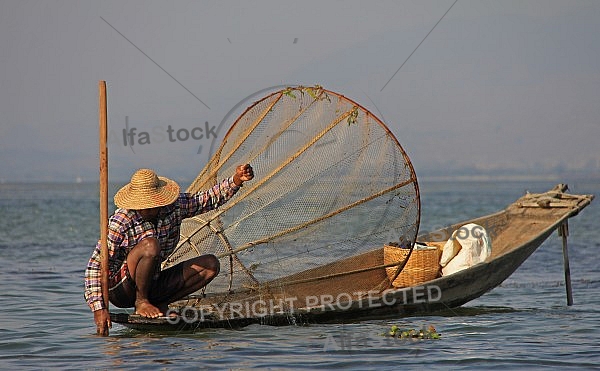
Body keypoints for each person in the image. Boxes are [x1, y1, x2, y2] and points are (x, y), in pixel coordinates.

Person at [84, 164, 254, 336]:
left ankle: (158, 303)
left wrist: (237, 180)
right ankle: (141, 302)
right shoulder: (121, 221)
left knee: (210, 265)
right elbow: (95, 267)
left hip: (152, 281)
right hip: (121, 289)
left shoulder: (174, 206)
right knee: (151, 245)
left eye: (151, 205)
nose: (147, 209)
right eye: (143, 205)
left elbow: (206, 200)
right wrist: (99, 308)